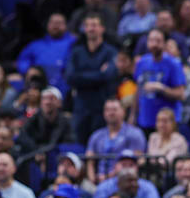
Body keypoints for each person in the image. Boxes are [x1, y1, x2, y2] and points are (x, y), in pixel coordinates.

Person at [65, 13, 118, 144]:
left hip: (101, 108)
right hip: (81, 109)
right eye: (87, 26)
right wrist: (98, 74)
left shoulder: (110, 52)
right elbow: (70, 77)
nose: (90, 29)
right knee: (79, 145)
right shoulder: (76, 52)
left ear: (102, 28)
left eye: (94, 25)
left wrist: (81, 76)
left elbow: (108, 75)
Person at [134, 29, 185, 136]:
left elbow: (181, 94)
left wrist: (162, 88)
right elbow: (138, 90)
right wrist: (133, 116)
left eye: (158, 41)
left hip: (168, 122)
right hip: (145, 120)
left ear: (165, 43)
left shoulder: (173, 64)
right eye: (151, 40)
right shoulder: (142, 62)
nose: (154, 44)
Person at [86, 99, 147, 183]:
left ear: (123, 112)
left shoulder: (135, 134)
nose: (111, 113)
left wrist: (108, 177)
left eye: (114, 109)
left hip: (125, 180)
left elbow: (139, 161)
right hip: (98, 180)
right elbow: (90, 161)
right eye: (108, 110)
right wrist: (92, 180)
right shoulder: (96, 135)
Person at [16, 13, 76, 93]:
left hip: (65, 85)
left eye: (59, 23)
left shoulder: (74, 42)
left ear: (66, 25)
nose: (56, 26)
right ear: (48, 25)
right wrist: (28, 70)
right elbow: (23, 60)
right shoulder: (36, 45)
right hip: (39, 86)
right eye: (53, 23)